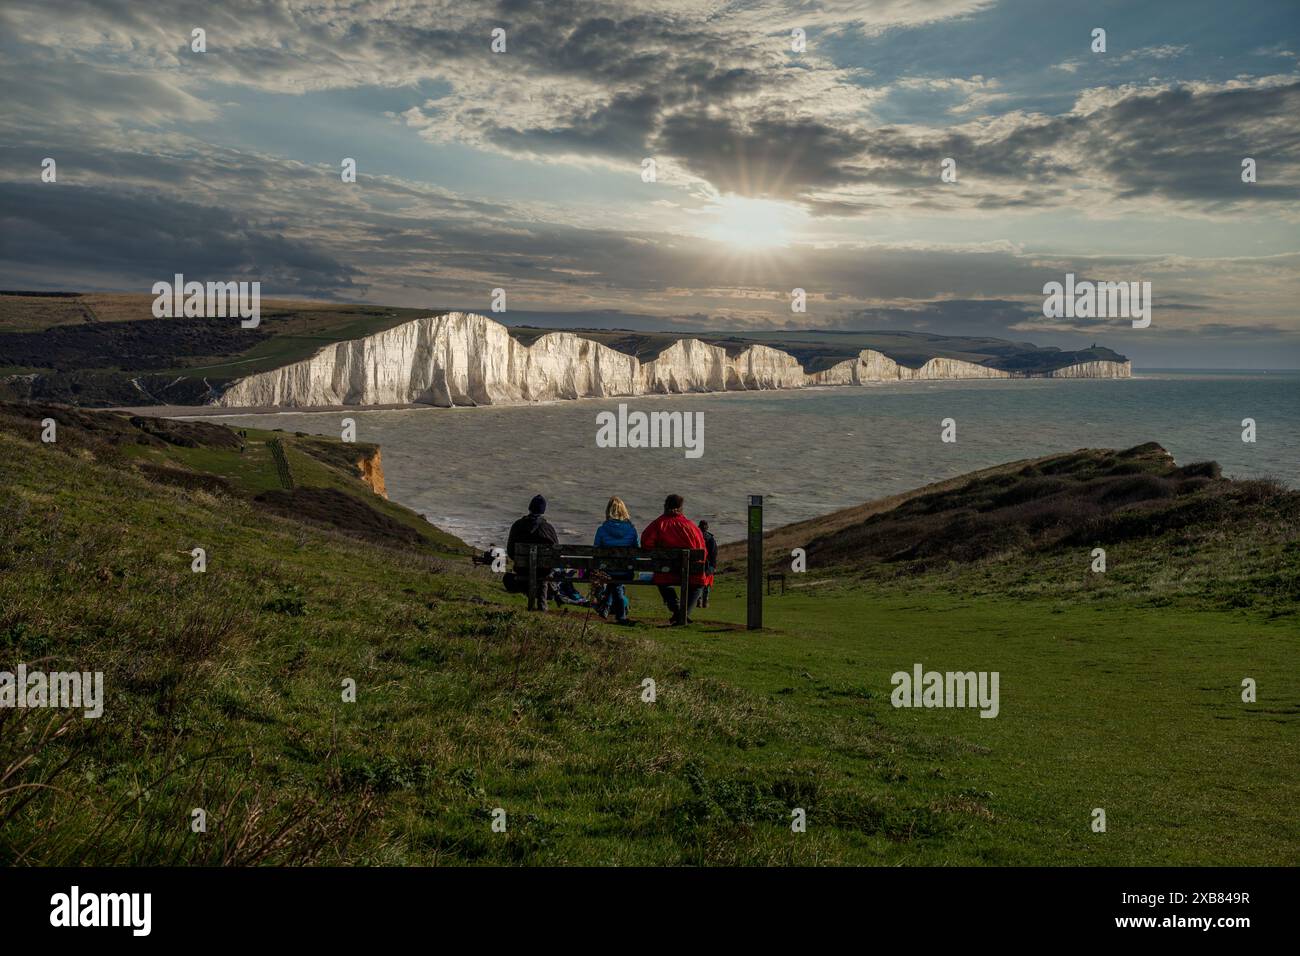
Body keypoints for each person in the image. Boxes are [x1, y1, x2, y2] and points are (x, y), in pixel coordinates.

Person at [641, 494, 713, 625]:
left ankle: (677, 610)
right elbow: (703, 551)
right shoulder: (691, 526)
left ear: (665, 506)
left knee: (662, 580)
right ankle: (683, 614)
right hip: (691, 572)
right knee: (698, 585)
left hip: (667, 573)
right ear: (681, 508)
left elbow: (646, 543)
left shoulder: (659, 524)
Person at [505, 495, 584, 609]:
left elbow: (510, 551)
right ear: (543, 510)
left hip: (522, 568)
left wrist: (520, 560)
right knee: (543, 572)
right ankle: (542, 604)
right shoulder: (548, 528)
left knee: (537, 570)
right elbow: (556, 552)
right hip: (543, 570)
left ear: (529, 507)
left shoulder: (517, 525)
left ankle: (537, 601)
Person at [593, 496, 638, 623]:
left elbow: (596, 551)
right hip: (626, 571)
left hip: (606, 571)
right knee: (617, 584)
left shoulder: (602, 530)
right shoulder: (632, 530)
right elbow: (637, 551)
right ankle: (620, 615)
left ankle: (606, 607)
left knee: (613, 581)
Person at [695, 520, 718, 608]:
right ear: (707, 527)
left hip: (696, 565)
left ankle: (699, 600)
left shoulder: (695, 536)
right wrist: (713, 566)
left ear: (699, 527)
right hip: (707, 566)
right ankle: (705, 601)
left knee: (698, 582)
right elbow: (713, 554)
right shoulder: (710, 538)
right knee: (707, 583)